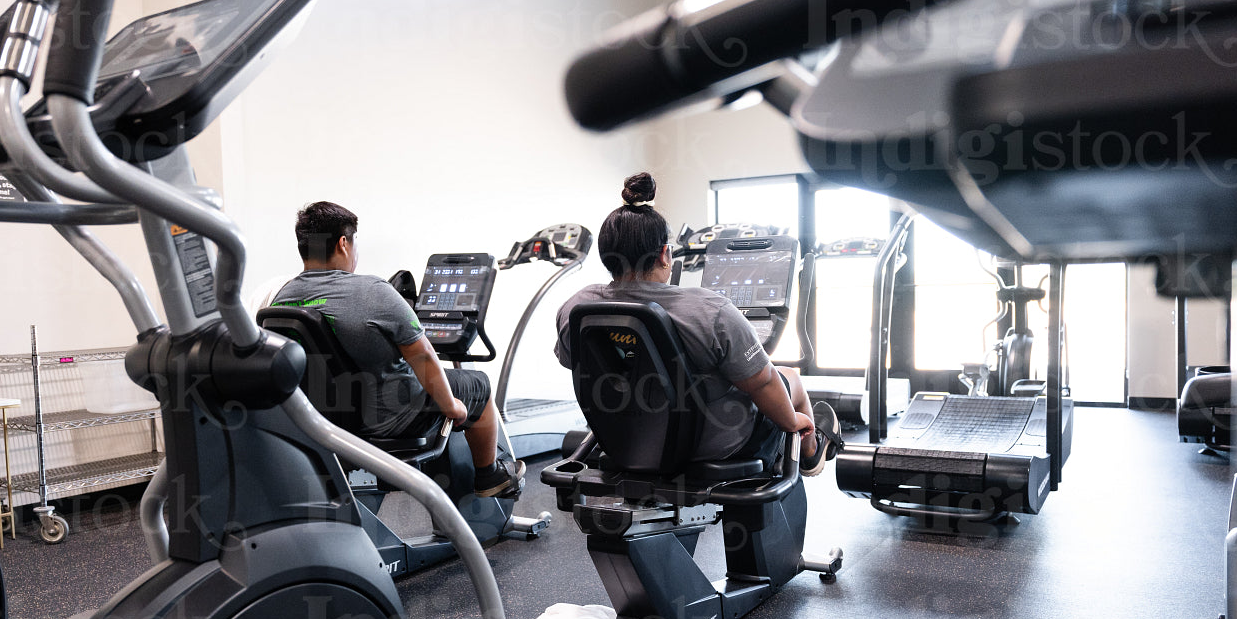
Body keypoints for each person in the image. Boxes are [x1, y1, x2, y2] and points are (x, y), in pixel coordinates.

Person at [555, 173, 842, 475]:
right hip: (710, 445)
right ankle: (809, 453)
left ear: (606, 255)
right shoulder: (709, 309)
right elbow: (762, 381)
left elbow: (574, 363)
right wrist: (791, 421)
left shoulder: (577, 307)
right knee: (789, 378)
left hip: (623, 439)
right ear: (665, 255)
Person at [272, 201, 522, 497]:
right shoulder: (372, 290)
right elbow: (424, 355)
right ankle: (489, 477)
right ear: (343, 243)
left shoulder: (281, 298)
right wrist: (452, 406)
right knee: (478, 384)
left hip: (319, 422)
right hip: (389, 419)